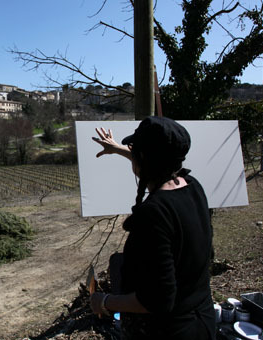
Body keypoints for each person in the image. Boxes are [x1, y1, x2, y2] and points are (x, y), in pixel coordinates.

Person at [90, 116, 215, 340]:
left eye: (135, 151)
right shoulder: (194, 187)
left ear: (143, 158)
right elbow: (158, 165)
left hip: (168, 331)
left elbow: (157, 300)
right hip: (203, 322)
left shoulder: (154, 214)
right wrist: (118, 149)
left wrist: (104, 302)